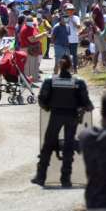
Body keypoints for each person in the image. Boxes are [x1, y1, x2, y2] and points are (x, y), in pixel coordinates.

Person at [32, 55, 94, 187]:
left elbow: (42, 99)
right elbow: (86, 102)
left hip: (55, 115)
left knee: (48, 145)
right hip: (72, 116)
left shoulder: (50, 81)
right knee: (69, 146)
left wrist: (48, 107)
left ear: (59, 66)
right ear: (71, 66)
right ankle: (66, 179)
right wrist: (88, 106)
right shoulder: (78, 83)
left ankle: (41, 176)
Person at [20, 16, 48, 83]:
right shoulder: (26, 28)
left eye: (31, 20)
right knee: (29, 67)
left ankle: (32, 80)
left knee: (33, 65)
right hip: (28, 49)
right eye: (29, 20)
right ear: (25, 21)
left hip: (32, 50)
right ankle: (28, 81)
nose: (31, 22)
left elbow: (35, 35)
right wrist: (43, 35)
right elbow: (32, 39)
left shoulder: (31, 27)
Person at [64, 4, 81, 73]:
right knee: (66, 55)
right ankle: (67, 68)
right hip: (66, 39)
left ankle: (75, 68)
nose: (70, 11)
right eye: (68, 10)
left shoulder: (76, 18)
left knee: (74, 55)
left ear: (73, 11)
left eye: (71, 10)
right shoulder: (64, 17)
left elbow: (78, 26)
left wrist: (71, 20)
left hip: (74, 39)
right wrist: (66, 20)